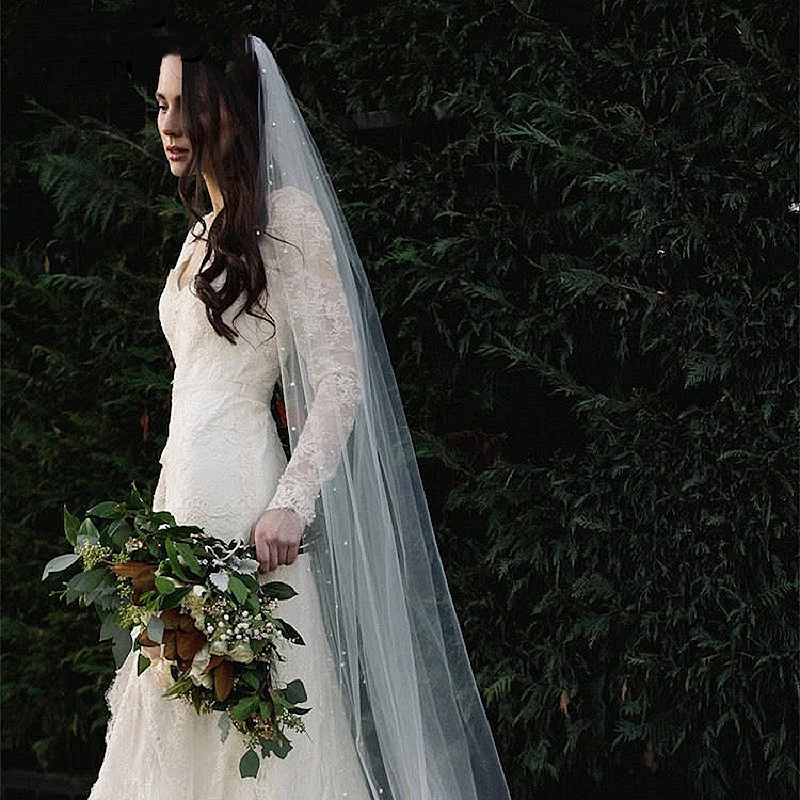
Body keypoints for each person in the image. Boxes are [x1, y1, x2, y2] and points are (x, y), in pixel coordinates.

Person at [87, 32, 511, 800]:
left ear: (232, 110)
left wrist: (291, 502)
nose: (170, 124)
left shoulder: (287, 219)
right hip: (175, 501)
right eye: (161, 105)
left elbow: (341, 377)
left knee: (251, 718)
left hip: (246, 504)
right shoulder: (198, 235)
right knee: (170, 716)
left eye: (188, 104)